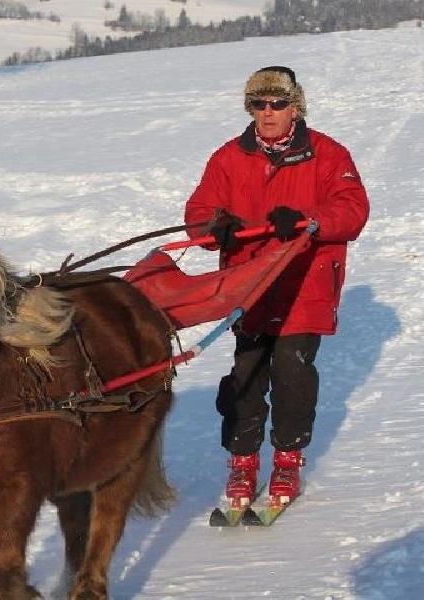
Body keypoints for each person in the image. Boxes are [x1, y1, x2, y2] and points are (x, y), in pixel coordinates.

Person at [184, 66, 369, 508]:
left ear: (295, 107)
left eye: (277, 104)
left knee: (291, 370)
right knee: (247, 372)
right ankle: (243, 462)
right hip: (249, 285)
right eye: (258, 105)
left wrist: (310, 221)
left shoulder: (328, 154)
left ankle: (288, 457)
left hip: (305, 282)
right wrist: (216, 227)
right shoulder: (229, 157)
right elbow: (199, 210)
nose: (267, 113)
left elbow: (353, 209)